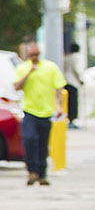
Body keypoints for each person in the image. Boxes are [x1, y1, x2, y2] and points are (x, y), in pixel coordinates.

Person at [12, 41, 67, 186]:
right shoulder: (23, 68)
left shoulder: (50, 67)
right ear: (27, 56)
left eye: (36, 54)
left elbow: (59, 88)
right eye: (31, 55)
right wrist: (29, 72)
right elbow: (17, 86)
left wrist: (60, 106)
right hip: (30, 111)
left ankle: (42, 174)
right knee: (29, 140)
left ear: (39, 54)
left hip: (46, 111)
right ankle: (32, 171)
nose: (34, 57)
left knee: (43, 144)